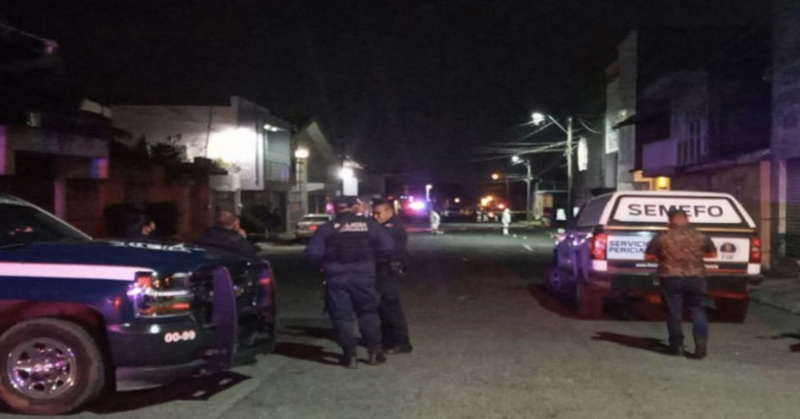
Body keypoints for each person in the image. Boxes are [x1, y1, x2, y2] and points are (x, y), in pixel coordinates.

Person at [306, 196, 394, 368]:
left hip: (336, 278)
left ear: (334, 209)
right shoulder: (370, 225)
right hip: (364, 277)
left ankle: (350, 356)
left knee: (342, 317)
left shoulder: (327, 228)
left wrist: (324, 266)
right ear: (354, 207)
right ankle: (374, 353)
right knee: (368, 314)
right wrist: (373, 262)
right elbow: (387, 247)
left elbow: (313, 254)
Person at [645, 209, 717, 358]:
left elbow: (648, 256)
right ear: (687, 219)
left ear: (669, 221)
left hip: (670, 277)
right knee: (698, 310)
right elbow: (713, 254)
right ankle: (700, 344)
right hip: (697, 278)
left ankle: (676, 346)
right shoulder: (700, 235)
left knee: (673, 312)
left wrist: (663, 257)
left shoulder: (662, 236)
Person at [372, 199, 413, 354]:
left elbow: (385, 250)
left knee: (391, 307)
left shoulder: (392, 227)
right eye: (374, 213)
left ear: (389, 212)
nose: (375, 216)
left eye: (378, 213)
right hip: (384, 270)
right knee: (383, 307)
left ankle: (401, 342)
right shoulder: (384, 226)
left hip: (388, 270)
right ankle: (388, 340)